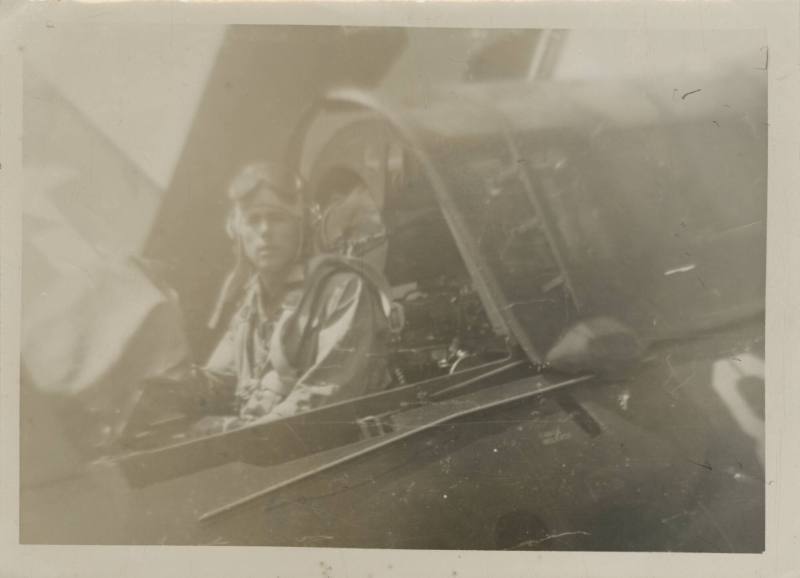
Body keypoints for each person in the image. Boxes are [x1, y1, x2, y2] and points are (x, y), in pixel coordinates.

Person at [176, 161, 393, 432]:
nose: (265, 231)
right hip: (266, 452)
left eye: (277, 218)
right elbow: (217, 383)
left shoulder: (343, 291)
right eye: (253, 220)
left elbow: (323, 399)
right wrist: (166, 375)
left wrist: (227, 430)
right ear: (238, 232)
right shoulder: (249, 309)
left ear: (300, 226)